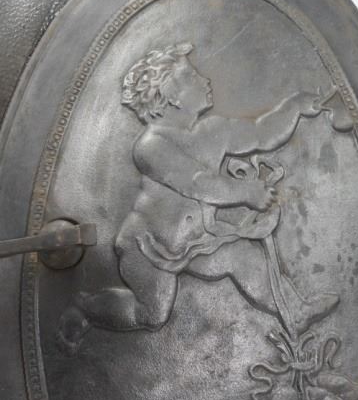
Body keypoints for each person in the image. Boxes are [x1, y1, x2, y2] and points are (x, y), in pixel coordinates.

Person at [57, 42, 338, 355]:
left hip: (195, 240)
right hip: (148, 246)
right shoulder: (151, 146)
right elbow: (197, 183)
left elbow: (261, 132)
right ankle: (86, 308)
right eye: (192, 77)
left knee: (243, 259)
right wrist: (246, 192)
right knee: (152, 313)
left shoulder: (214, 130)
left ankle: (295, 310)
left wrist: (295, 108)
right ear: (171, 95)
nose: (205, 80)